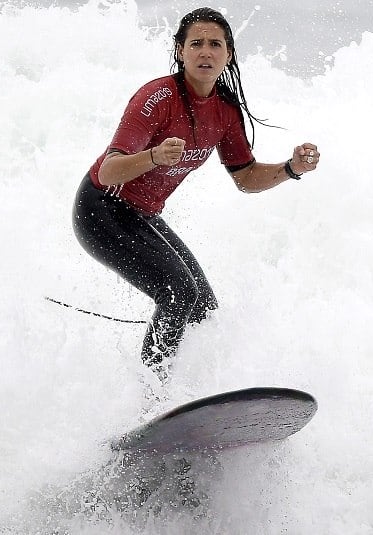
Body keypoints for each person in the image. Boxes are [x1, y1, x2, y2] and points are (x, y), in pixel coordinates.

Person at [72, 7, 320, 378]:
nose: (206, 51)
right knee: (178, 292)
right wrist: (153, 156)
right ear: (180, 51)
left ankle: (191, 392)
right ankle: (152, 396)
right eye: (196, 43)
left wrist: (290, 169)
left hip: (141, 216)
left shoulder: (225, 110)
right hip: (102, 210)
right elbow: (108, 172)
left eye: (215, 44)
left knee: (204, 308)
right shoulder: (156, 98)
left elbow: (246, 176)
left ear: (229, 54)